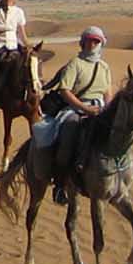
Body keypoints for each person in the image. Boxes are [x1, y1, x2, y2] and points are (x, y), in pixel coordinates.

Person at [39, 26, 113, 202]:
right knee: (68, 135)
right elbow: (65, 90)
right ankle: (59, 184)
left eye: (96, 41)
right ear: (83, 43)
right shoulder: (75, 63)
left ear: (101, 44)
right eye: (89, 40)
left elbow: (108, 90)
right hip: (76, 108)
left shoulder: (104, 66)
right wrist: (84, 108)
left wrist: (108, 108)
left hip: (100, 108)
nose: (92, 44)